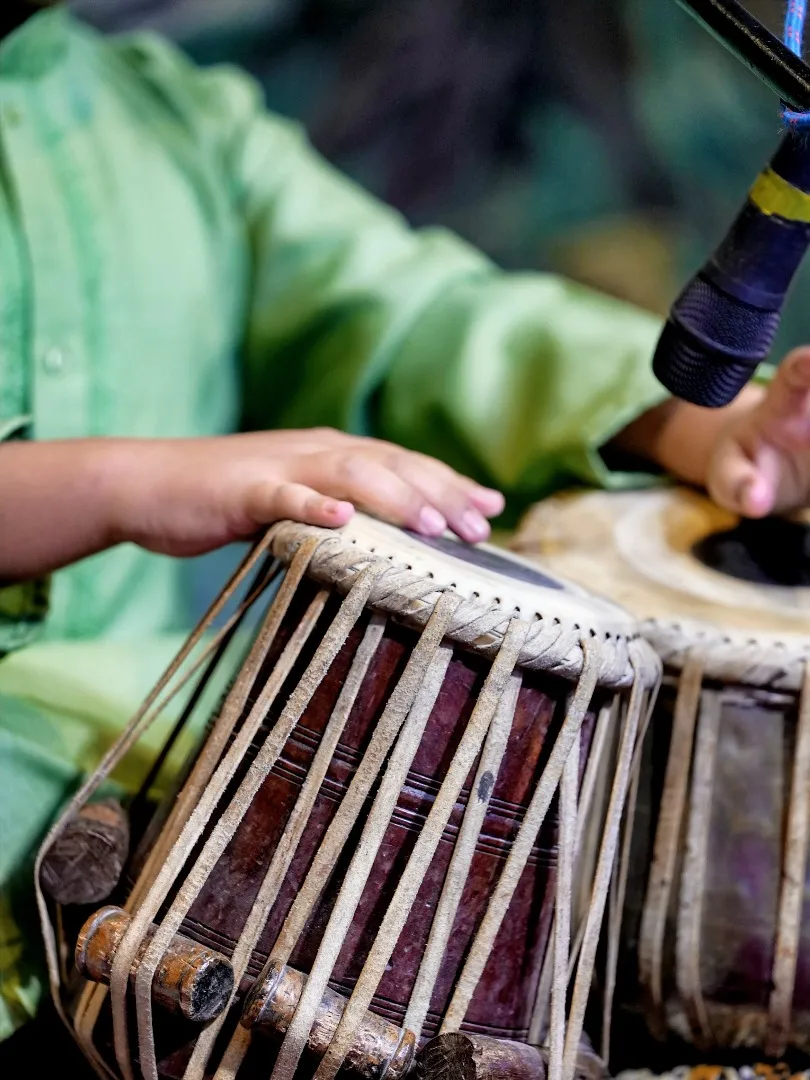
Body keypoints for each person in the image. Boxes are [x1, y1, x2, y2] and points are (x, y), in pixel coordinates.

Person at [1, 0, 810, 1043]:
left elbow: (415, 314)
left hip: (143, 815)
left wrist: (707, 430)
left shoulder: (164, 116)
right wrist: (127, 481)